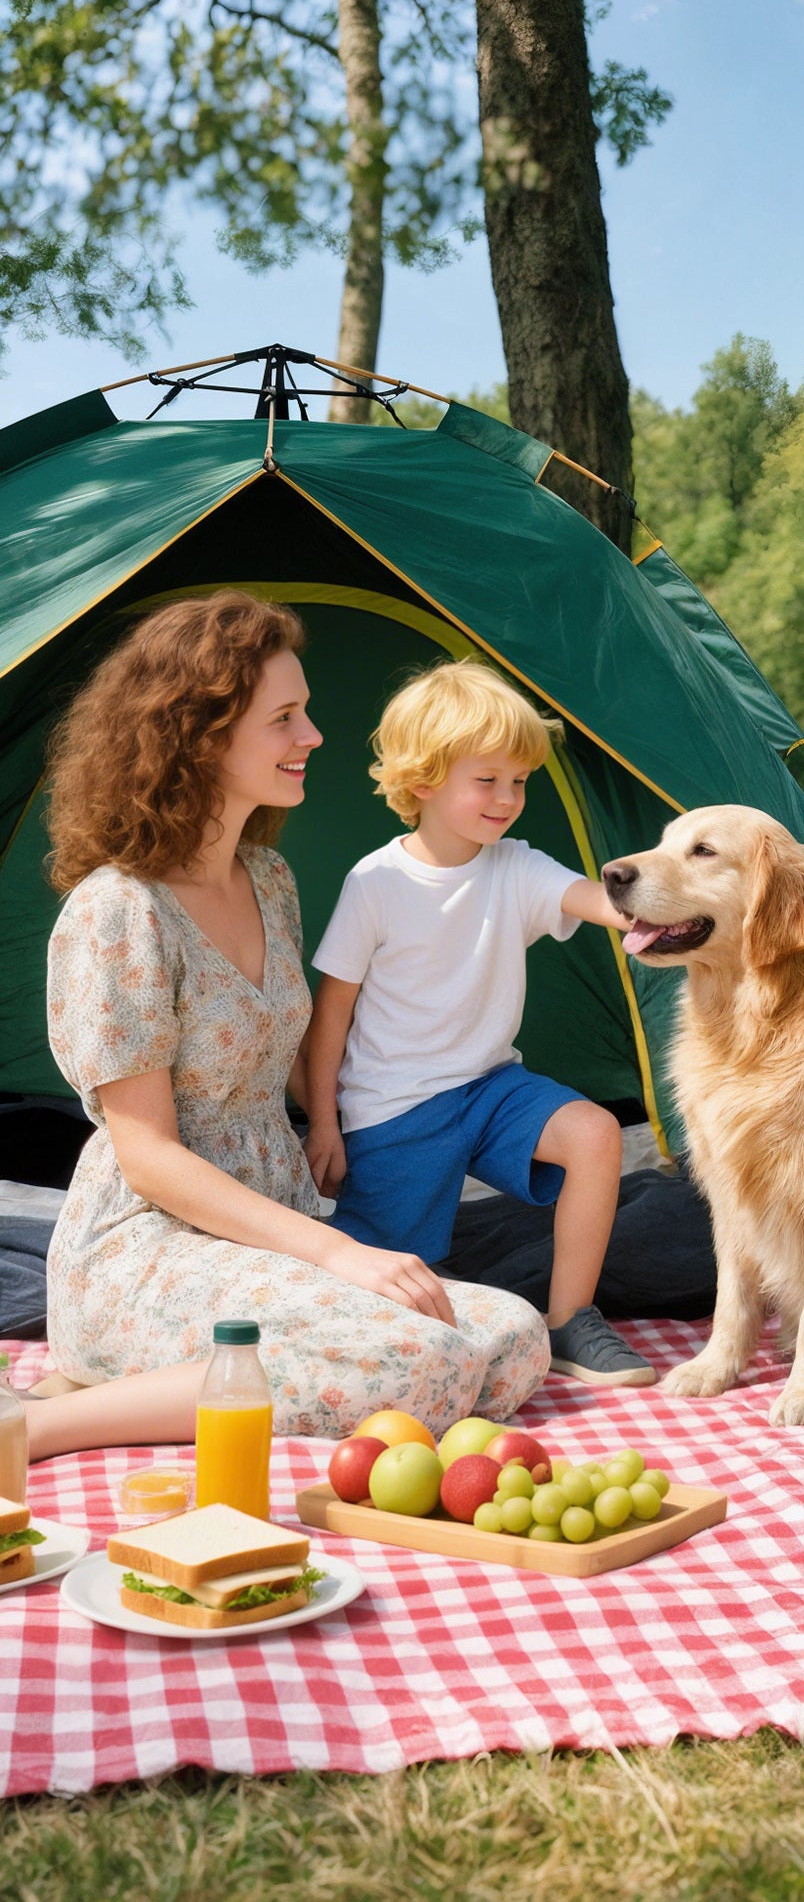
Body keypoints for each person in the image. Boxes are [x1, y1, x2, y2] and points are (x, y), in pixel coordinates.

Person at [31, 594, 549, 1462]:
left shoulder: (268, 878)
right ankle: (41, 1421)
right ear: (198, 736)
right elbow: (147, 1155)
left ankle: (184, 1377)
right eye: (284, 717)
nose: (312, 735)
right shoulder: (119, 910)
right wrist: (340, 1255)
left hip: (271, 1221)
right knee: (414, 1361)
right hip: (147, 1246)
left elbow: (311, 1062)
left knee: (510, 1333)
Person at [304, 661, 654, 1386]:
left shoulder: (516, 868)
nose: (508, 798)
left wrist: (676, 906)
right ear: (424, 779)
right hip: (392, 1109)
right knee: (393, 1285)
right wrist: (325, 1123)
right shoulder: (376, 883)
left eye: (519, 781)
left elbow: (601, 902)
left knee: (594, 1133)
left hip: (490, 1087)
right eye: (487, 780)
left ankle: (570, 1322)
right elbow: (330, 1011)